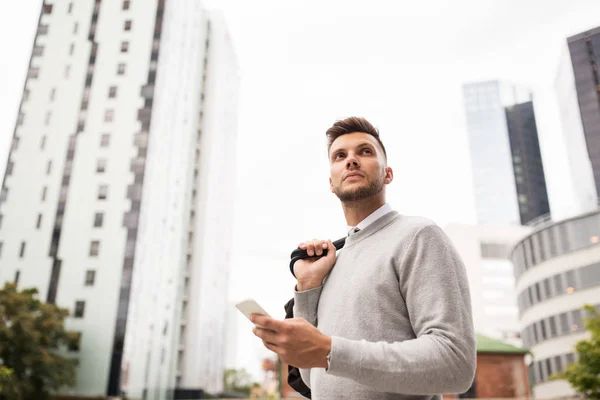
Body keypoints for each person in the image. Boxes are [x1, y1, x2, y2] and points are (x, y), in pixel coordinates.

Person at [251, 117, 476, 399]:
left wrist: (329, 350)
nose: (351, 160)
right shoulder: (332, 261)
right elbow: (313, 379)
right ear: (331, 183)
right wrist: (308, 287)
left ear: (388, 173)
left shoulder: (418, 235)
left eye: (365, 151)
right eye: (340, 156)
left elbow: (455, 364)